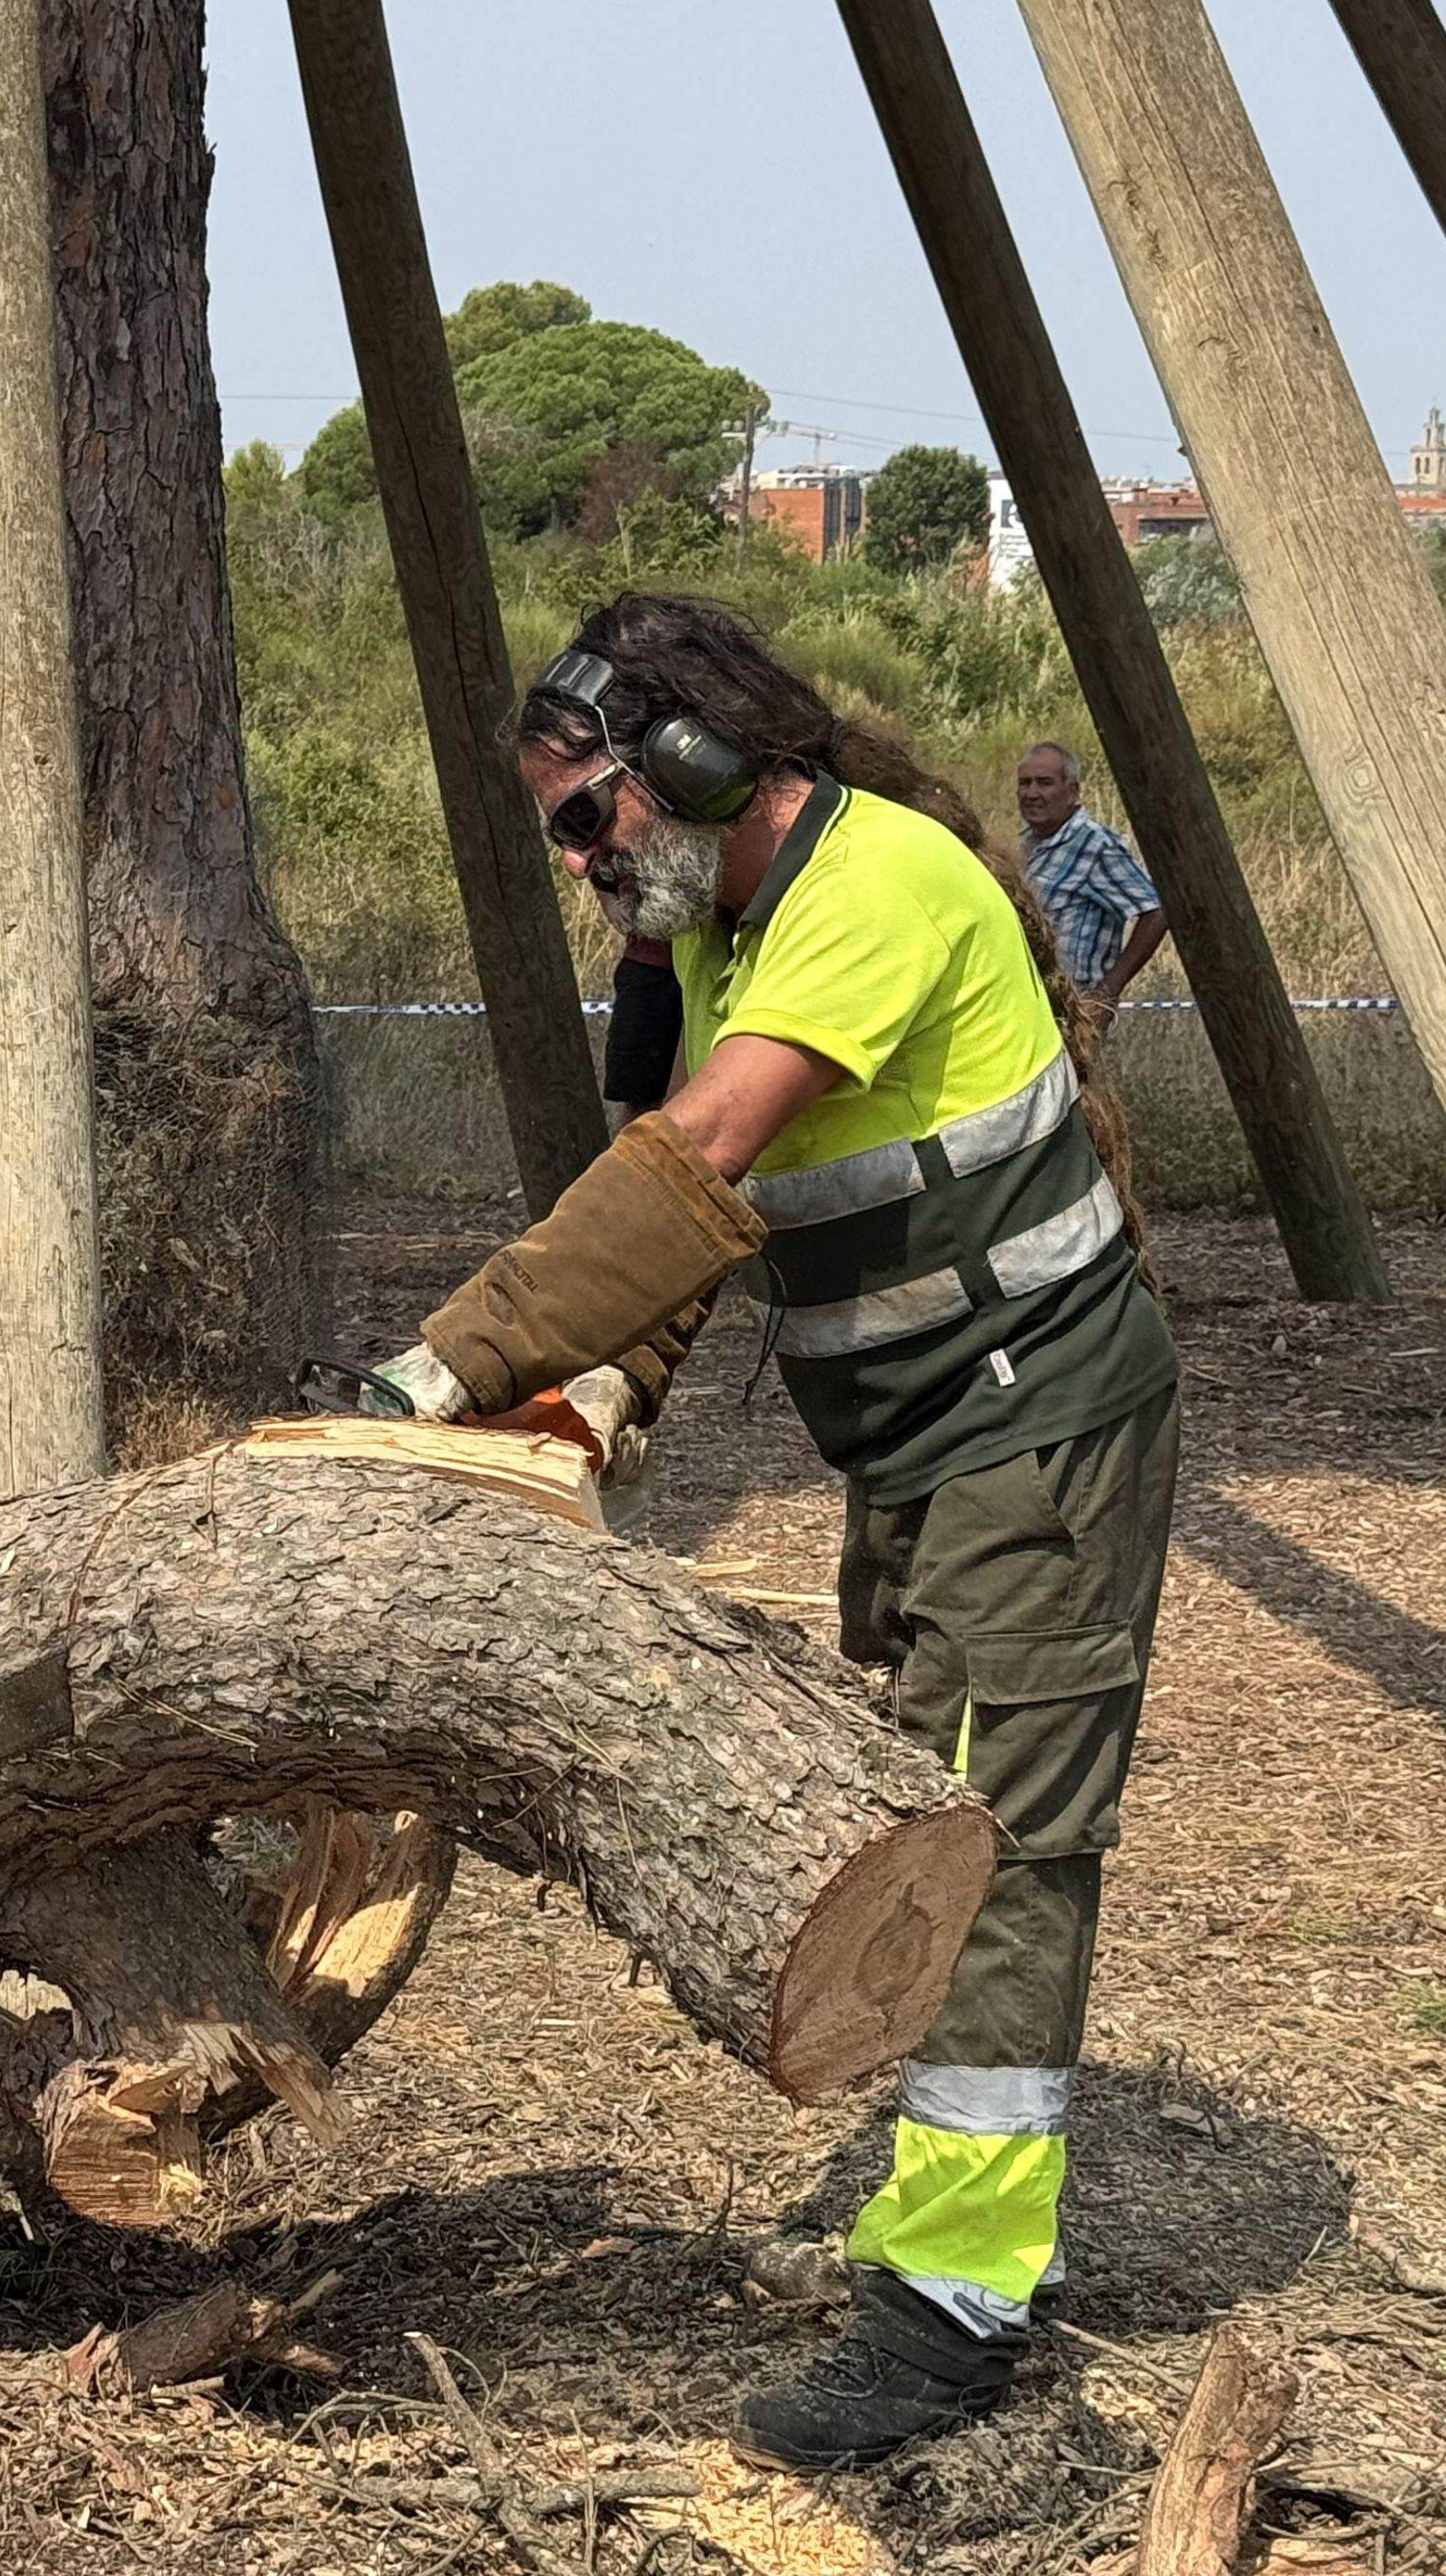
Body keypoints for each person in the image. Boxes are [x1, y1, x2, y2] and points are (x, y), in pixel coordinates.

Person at [373, 593, 1181, 2474]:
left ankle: (955, 2300)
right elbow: (686, 1209)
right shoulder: (718, 933)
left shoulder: (868, 890)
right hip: (924, 1441)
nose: (582, 863)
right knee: (916, 1803)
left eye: (588, 816)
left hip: (1037, 1432)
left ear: (696, 759)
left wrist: (435, 1371)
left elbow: (700, 1156)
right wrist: (582, 1399)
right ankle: (943, 2220)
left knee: (997, 1848)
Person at [1014, 743, 1167, 1003]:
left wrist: (1106, 994)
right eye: (1024, 783)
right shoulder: (1027, 847)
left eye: (1045, 783)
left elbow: (1156, 912)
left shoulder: (1095, 846)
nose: (1032, 793)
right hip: (1031, 1005)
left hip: (1073, 1008)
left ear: (1072, 791)